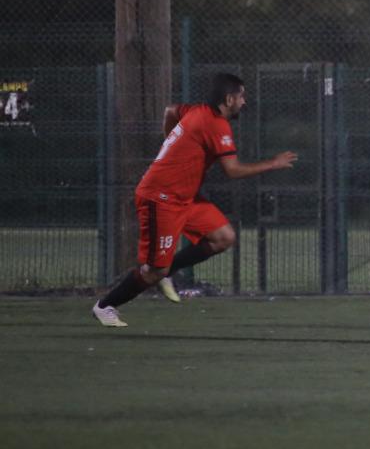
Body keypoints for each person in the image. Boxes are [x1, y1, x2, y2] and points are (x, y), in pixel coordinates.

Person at [91, 73, 298, 327]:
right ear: (229, 98)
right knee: (155, 270)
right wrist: (272, 163)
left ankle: (167, 270)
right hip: (161, 198)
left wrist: (170, 143)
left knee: (224, 237)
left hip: (184, 198)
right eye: (241, 96)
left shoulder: (196, 110)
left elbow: (170, 111)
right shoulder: (217, 124)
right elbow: (232, 170)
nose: (244, 102)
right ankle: (105, 306)